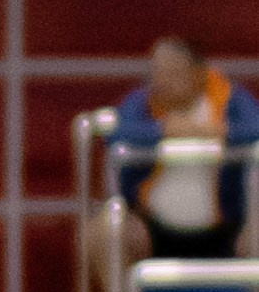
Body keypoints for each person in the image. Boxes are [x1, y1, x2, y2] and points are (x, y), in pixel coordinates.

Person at [111, 34, 259, 268]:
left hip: (225, 226)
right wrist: (162, 131)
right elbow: (117, 134)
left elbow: (255, 128)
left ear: (199, 74)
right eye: (157, 72)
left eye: (173, 73)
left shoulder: (230, 101)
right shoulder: (142, 104)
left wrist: (221, 132)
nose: (162, 82)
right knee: (104, 232)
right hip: (152, 227)